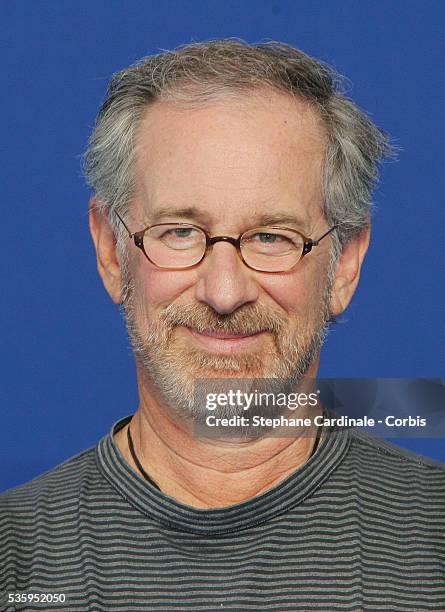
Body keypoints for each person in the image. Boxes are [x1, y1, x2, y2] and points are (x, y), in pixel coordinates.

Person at [1, 39, 444, 611]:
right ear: (111, 250)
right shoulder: (15, 554)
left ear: (345, 265)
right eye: (180, 232)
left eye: (272, 237)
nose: (225, 291)